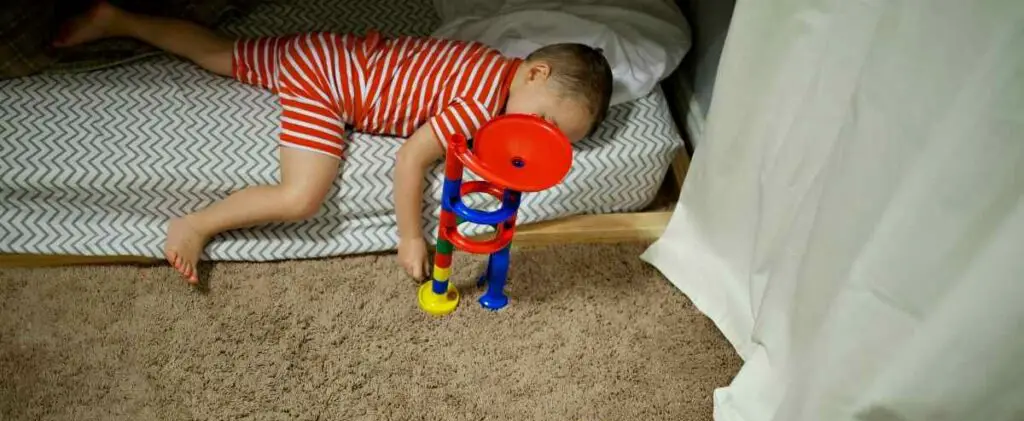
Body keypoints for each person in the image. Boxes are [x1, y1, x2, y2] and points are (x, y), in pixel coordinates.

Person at [54, 2, 613, 284]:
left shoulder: (501, 69)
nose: (537, 141)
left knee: (220, 54)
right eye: (542, 124)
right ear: (534, 75)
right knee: (302, 197)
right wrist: (410, 237)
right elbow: (411, 156)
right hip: (328, 83)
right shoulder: (480, 103)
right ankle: (195, 223)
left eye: (557, 140)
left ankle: (119, 17)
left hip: (331, 50)